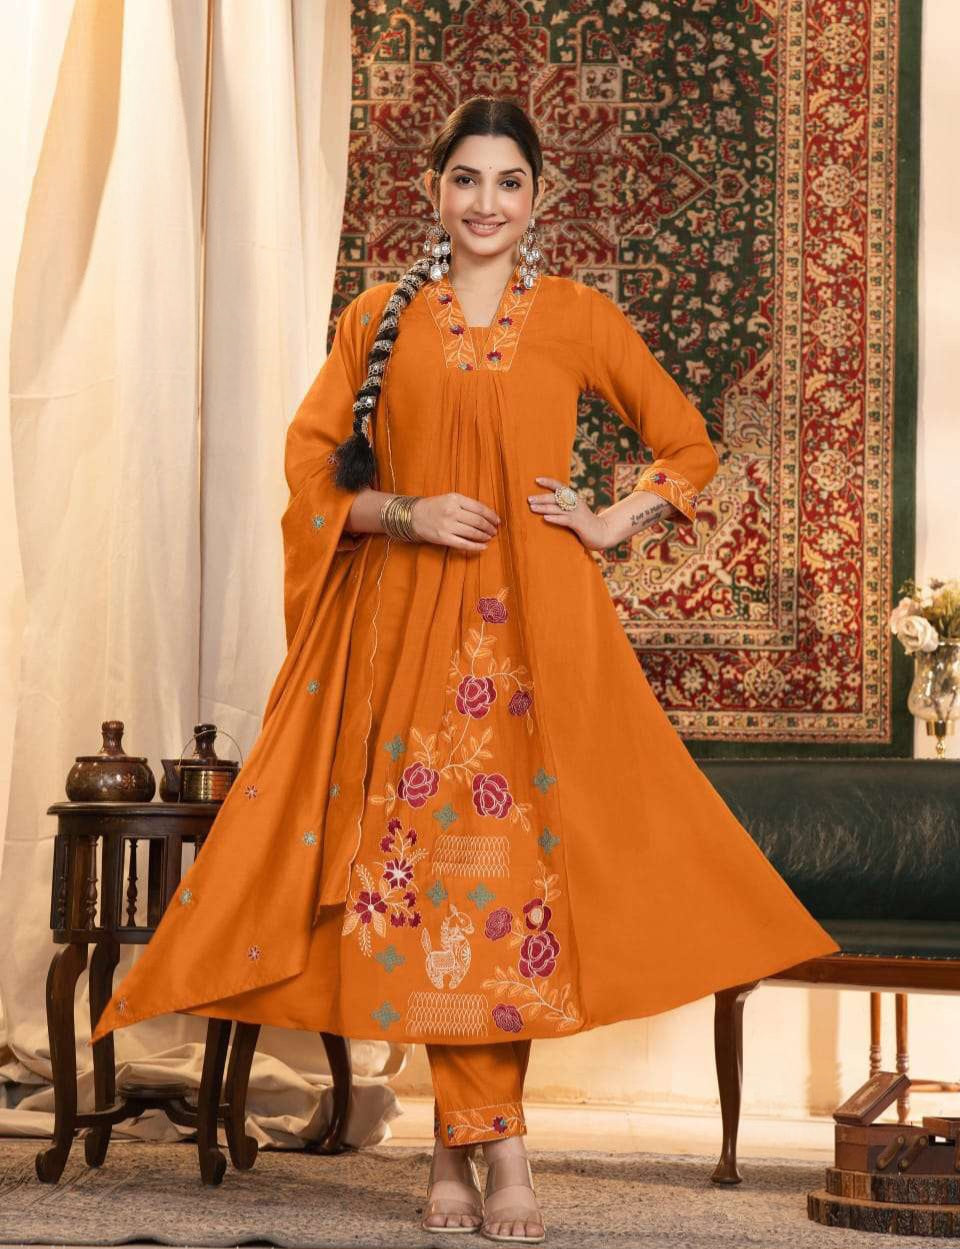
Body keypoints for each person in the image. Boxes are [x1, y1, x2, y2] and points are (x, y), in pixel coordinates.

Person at [90, 96, 839, 1244]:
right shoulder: (377, 319)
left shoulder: (578, 316)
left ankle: (469, 1148)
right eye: (467, 179)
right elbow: (309, 475)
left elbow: (689, 442)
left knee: (514, 883)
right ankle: (494, 1149)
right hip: (410, 634)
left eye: (509, 182)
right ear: (434, 190)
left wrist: (610, 518)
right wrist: (404, 510)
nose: (487, 202)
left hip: (541, 635)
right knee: (437, 881)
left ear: (539, 199)